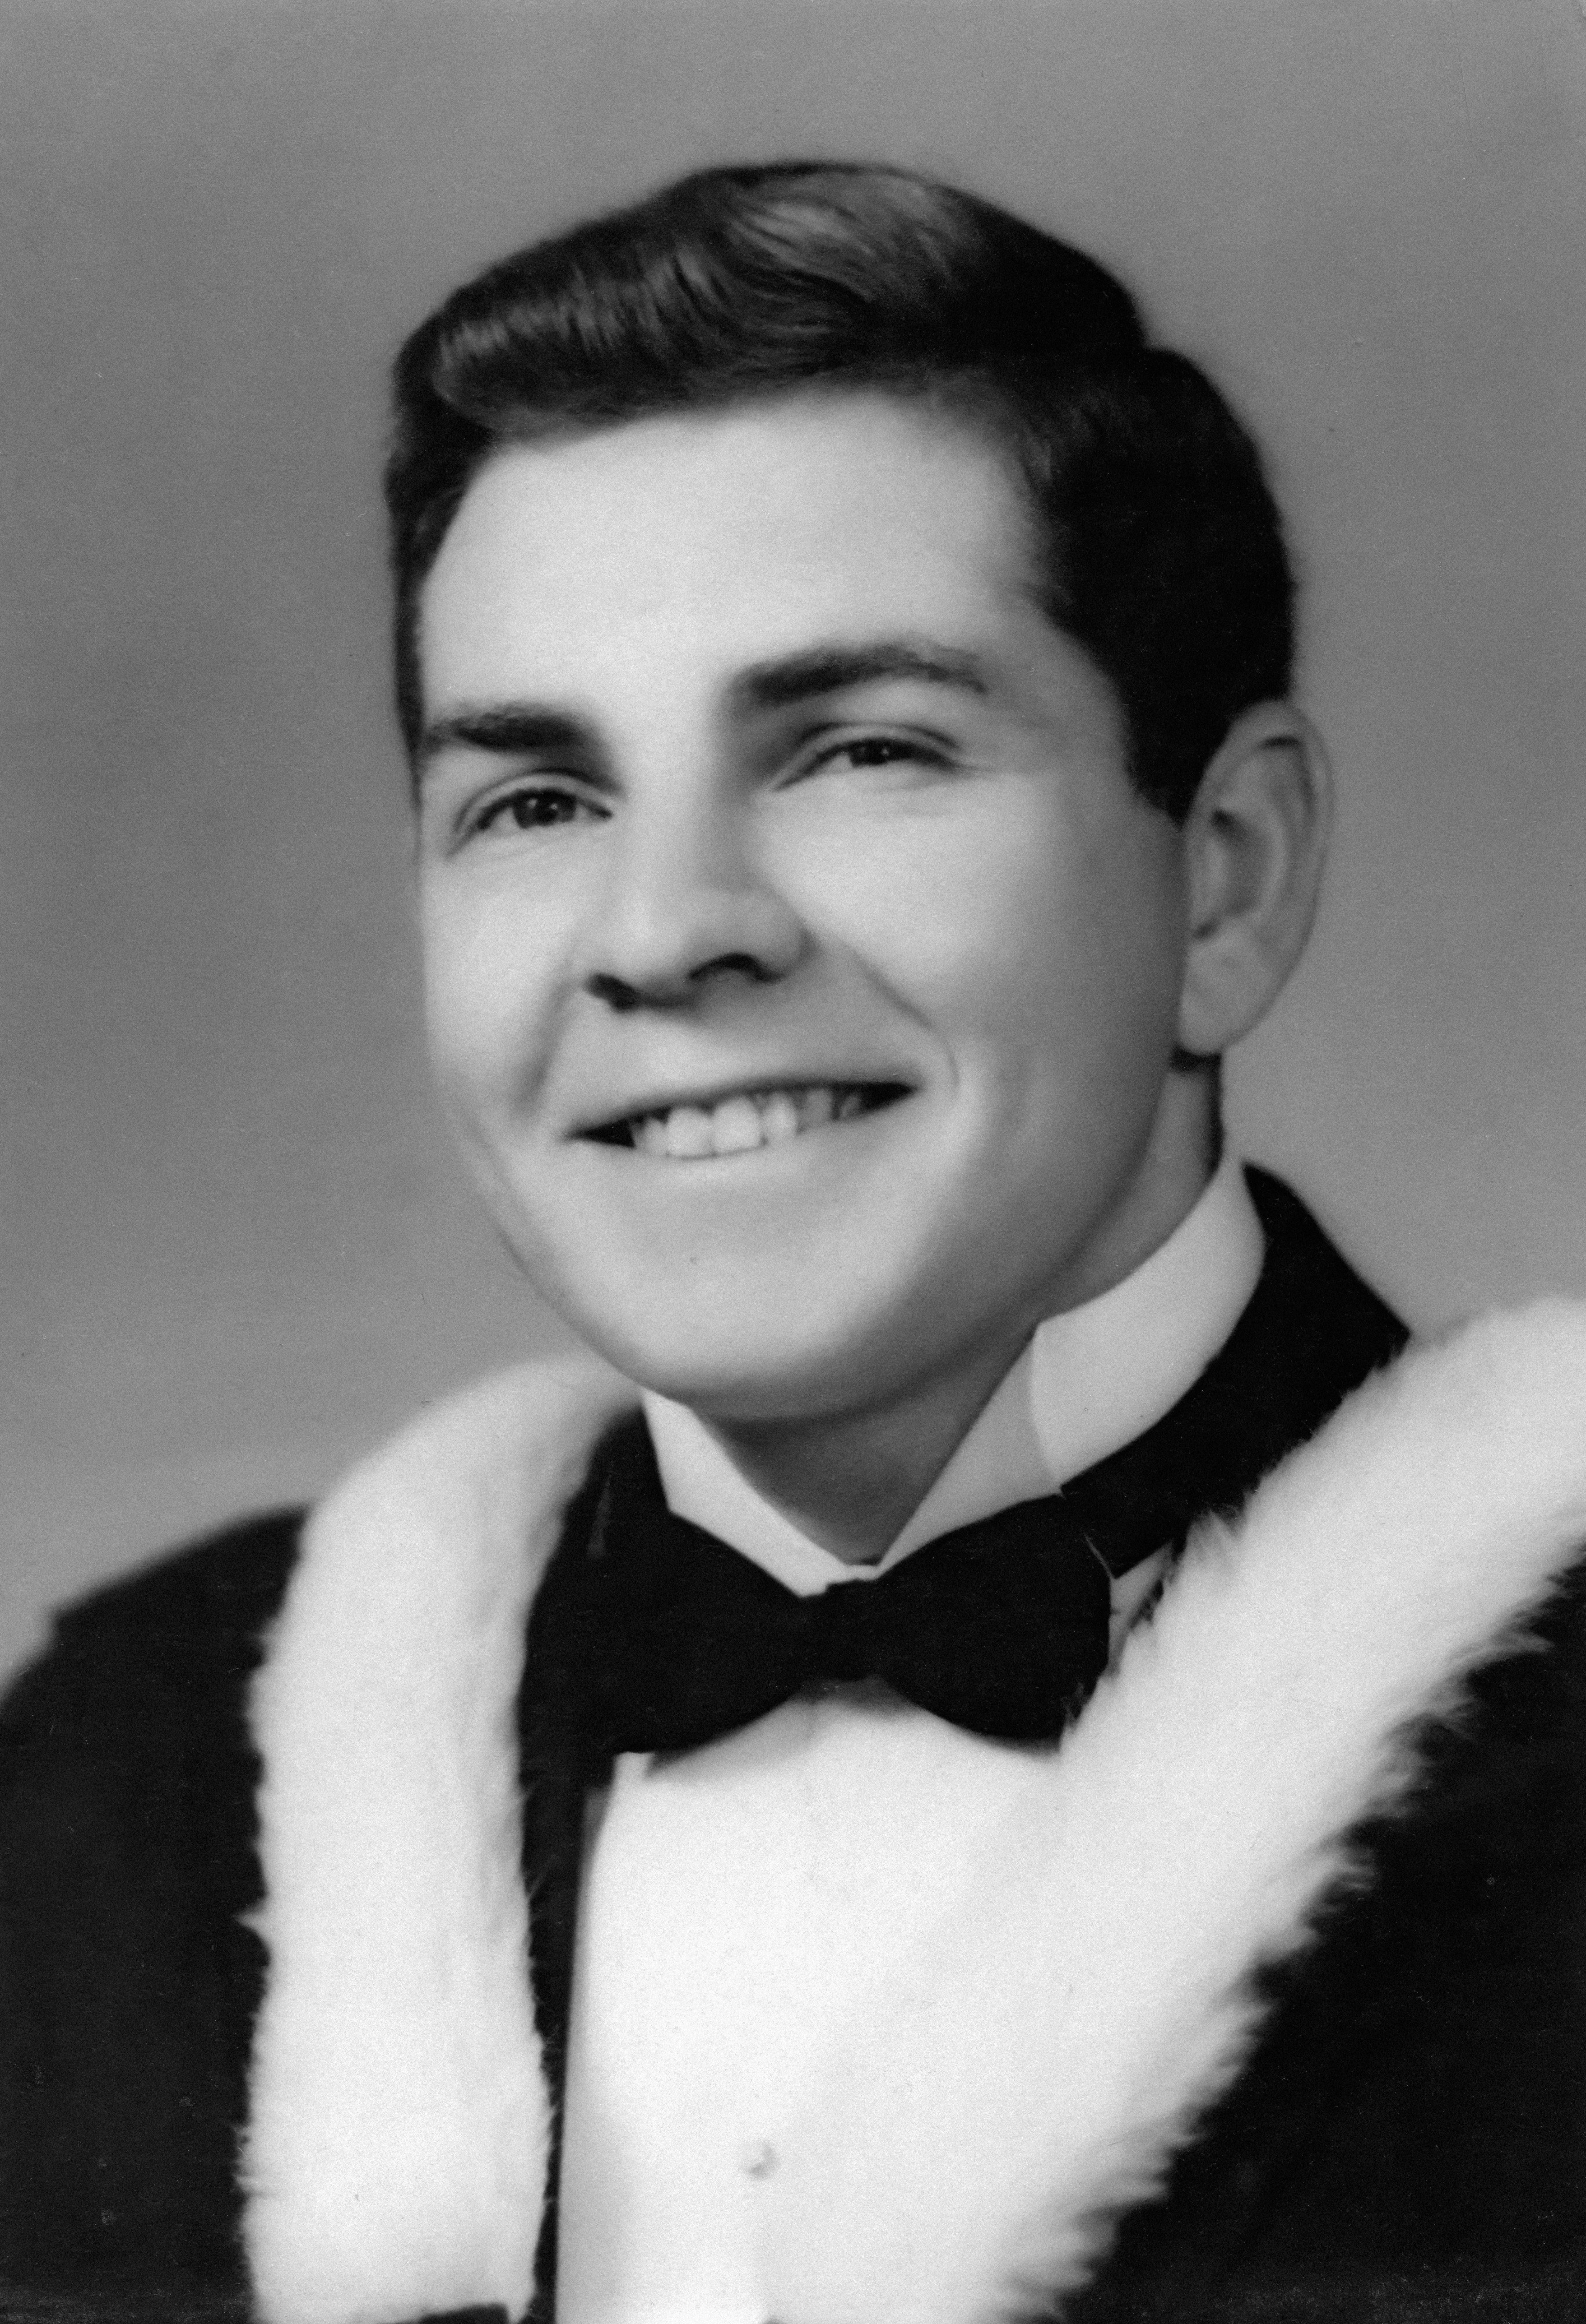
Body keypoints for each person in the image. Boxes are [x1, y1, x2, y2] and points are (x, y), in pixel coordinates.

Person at [3, 162, 1585, 2324]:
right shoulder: (123, 1773)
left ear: (1223, 879)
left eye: (860, 747)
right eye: (537, 800)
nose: (664, 933)